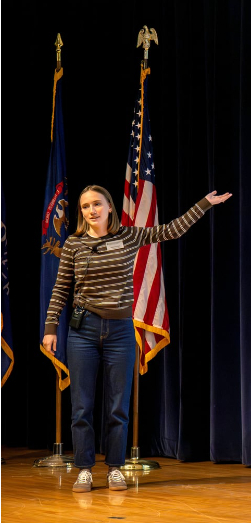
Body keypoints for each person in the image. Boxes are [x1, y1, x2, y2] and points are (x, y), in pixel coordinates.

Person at [42, 185, 231, 493]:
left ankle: (115, 468)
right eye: (86, 206)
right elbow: (61, 288)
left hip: (119, 332)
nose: (92, 210)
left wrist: (204, 205)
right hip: (82, 332)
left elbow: (170, 231)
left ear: (109, 207)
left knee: (117, 407)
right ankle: (85, 469)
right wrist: (51, 328)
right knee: (81, 407)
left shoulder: (128, 237)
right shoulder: (73, 244)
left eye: (97, 204)